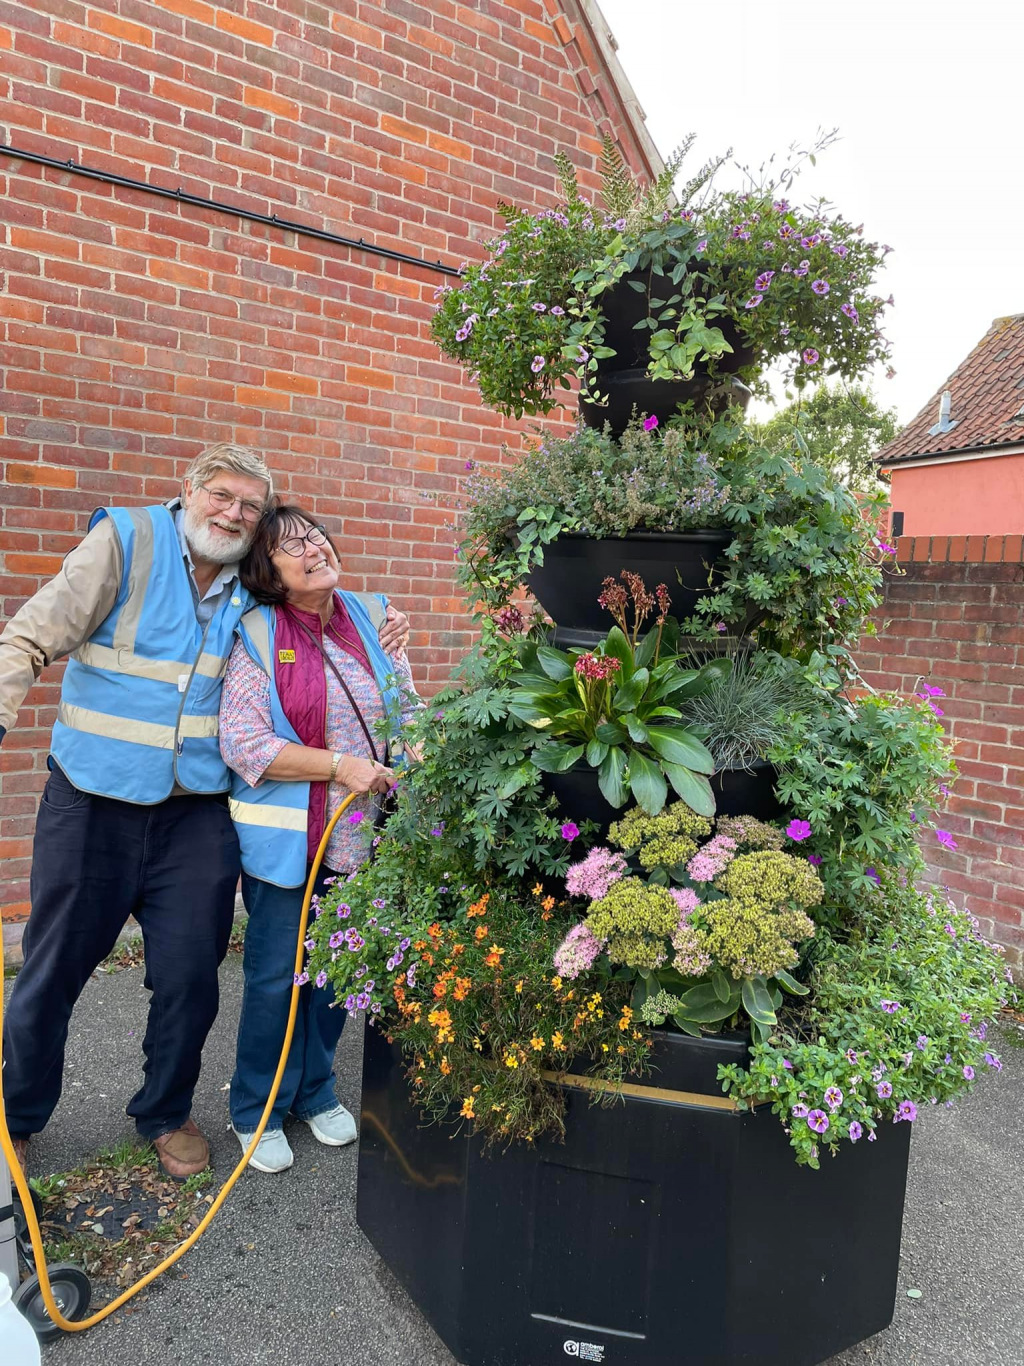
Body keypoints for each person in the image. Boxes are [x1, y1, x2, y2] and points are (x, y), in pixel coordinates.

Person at [0, 447, 409, 1179]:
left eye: (251, 507)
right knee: (55, 966)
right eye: (223, 497)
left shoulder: (251, 594)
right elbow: (31, 636)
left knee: (191, 973)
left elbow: (321, 610)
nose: (235, 514)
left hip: (192, 811)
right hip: (93, 798)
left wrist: (384, 627)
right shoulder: (125, 543)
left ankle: (163, 1113)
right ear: (187, 490)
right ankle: (17, 1118)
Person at [218, 504, 421, 1173]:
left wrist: (419, 757)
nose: (313, 548)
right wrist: (340, 766)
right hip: (290, 845)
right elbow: (244, 742)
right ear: (268, 575)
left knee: (337, 971)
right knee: (277, 978)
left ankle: (314, 1090)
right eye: (290, 546)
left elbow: (407, 708)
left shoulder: (372, 617)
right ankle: (257, 1107)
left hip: (364, 841)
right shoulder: (257, 632)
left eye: (316, 536)